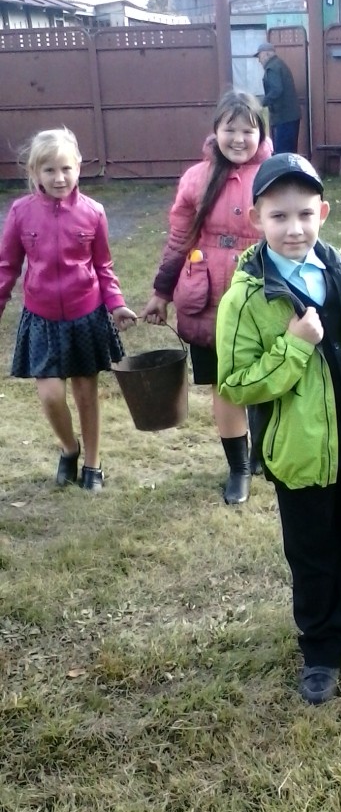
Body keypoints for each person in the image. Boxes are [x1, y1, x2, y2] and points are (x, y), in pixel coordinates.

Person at [216, 153, 341, 705]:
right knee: (311, 552)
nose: (294, 228)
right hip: (301, 451)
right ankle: (322, 647)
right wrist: (295, 346)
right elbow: (236, 383)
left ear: (322, 213)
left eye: (305, 214)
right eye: (279, 216)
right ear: (256, 218)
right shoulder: (246, 299)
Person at [141, 90, 273, 504]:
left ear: (261, 132)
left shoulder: (275, 174)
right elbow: (179, 239)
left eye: (248, 130)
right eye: (230, 129)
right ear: (216, 132)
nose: (238, 139)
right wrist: (161, 292)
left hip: (261, 293)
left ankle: (264, 453)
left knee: (268, 377)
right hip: (207, 297)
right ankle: (239, 469)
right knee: (223, 385)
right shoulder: (196, 179)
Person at [0, 126, 137, 492]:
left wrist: (116, 304)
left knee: (86, 394)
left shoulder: (93, 212)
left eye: (66, 169)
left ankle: (93, 463)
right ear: (35, 172)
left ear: (78, 167)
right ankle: (69, 448)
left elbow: (104, 266)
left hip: (85, 316)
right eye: (49, 170)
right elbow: (7, 267)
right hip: (41, 319)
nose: (59, 178)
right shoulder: (20, 213)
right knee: (51, 396)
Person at [254, 43, 301, 154]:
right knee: (289, 153)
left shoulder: (272, 68)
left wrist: (260, 103)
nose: (259, 61)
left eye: (259, 56)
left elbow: (276, 90)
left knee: (282, 153)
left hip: (283, 117)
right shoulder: (279, 65)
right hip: (289, 116)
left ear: (267, 54)